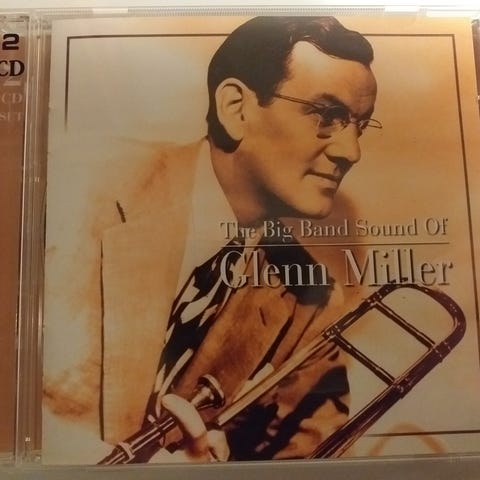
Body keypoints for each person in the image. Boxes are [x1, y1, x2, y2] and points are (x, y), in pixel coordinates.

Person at [43, 15, 379, 463]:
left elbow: (308, 463)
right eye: (327, 115)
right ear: (236, 108)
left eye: (359, 125)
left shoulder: (314, 305)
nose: (351, 151)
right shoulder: (80, 189)